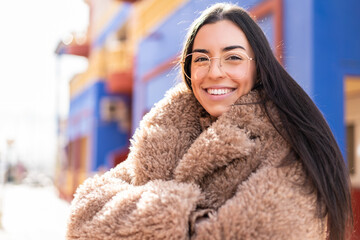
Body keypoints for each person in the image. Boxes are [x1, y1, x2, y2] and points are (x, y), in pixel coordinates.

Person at [66, 3, 352, 240]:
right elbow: (84, 214)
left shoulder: (288, 146)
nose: (214, 71)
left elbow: (263, 232)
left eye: (233, 57)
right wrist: (193, 217)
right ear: (189, 69)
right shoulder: (163, 132)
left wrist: (151, 207)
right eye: (201, 59)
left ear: (258, 66)